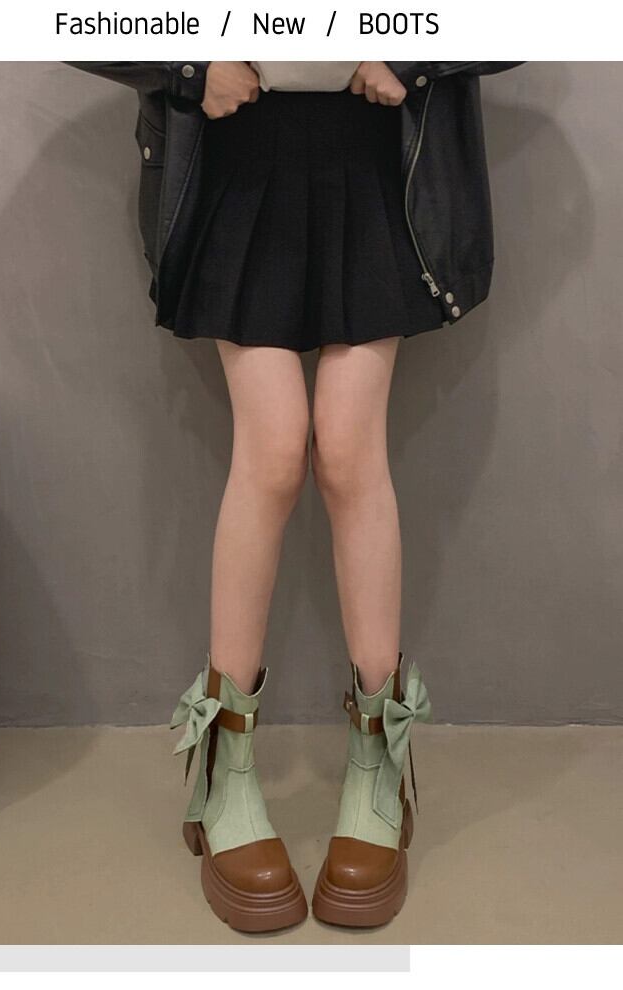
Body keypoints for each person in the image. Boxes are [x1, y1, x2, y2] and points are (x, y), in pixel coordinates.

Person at [64, 59, 524, 933]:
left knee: (349, 453)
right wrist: (193, 67)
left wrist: (406, 53)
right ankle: (223, 765)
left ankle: (380, 759)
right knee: (273, 452)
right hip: (239, 158)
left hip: (378, 159)